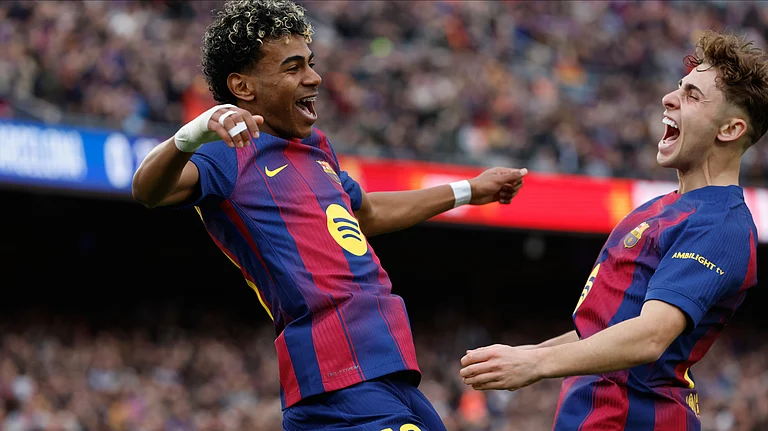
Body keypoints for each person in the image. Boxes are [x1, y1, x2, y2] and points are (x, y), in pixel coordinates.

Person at [131, 1, 526, 430]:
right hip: (334, 380)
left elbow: (366, 213)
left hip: (388, 369)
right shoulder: (227, 153)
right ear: (243, 87)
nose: (314, 77)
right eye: (293, 67)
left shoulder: (316, 147)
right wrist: (193, 132)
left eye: (311, 63)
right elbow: (150, 190)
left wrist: (470, 190)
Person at [459, 30, 768, 430]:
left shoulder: (721, 224)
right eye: (679, 86)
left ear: (729, 130)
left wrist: (534, 363)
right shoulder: (655, 210)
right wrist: (525, 354)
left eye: (693, 96)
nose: (669, 98)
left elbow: (650, 336)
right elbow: (600, 332)